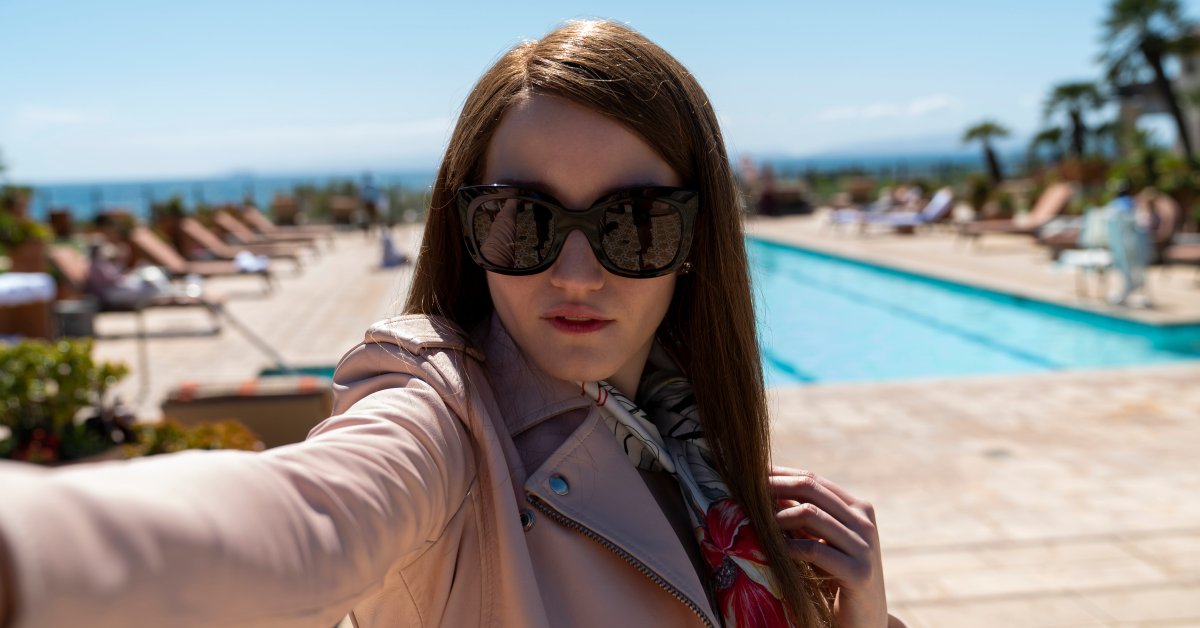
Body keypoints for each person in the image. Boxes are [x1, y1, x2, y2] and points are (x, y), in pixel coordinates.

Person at [0, 21, 902, 628]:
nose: (575, 273)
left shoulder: (689, 436)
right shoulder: (445, 422)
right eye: (522, 220)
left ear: (696, 239)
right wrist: (32, 556)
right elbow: (313, 518)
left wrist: (859, 616)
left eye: (634, 224)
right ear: (468, 229)